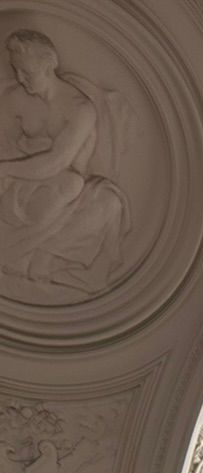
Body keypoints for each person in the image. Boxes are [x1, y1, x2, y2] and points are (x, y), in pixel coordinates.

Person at [0, 29, 129, 294]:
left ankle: (37, 258)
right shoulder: (14, 99)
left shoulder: (79, 108)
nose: (20, 78)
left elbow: (56, 163)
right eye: (16, 70)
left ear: (49, 64)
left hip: (58, 190)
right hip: (20, 189)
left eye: (27, 72)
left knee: (97, 197)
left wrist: (4, 169)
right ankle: (31, 255)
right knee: (70, 186)